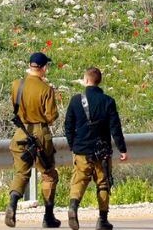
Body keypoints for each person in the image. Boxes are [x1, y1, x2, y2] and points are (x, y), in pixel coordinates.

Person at [62, 66, 128, 230]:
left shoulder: (75, 100)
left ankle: (73, 207)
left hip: (81, 150)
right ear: (99, 81)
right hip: (102, 151)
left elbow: (68, 125)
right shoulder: (108, 101)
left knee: (79, 180)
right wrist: (122, 149)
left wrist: (73, 145)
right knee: (103, 183)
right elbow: (115, 128)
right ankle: (102, 220)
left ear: (86, 80)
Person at [7, 52, 62, 228]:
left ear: (30, 66)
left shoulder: (17, 84)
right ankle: (48, 216)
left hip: (20, 133)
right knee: (49, 174)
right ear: (44, 68)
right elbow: (51, 116)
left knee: (21, 173)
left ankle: (12, 205)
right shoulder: (46, 89)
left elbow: (14, 107)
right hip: (39, 134)